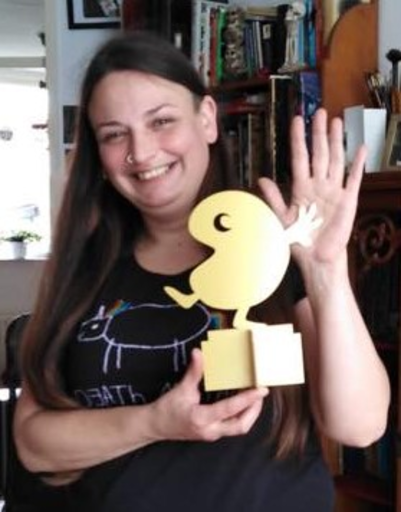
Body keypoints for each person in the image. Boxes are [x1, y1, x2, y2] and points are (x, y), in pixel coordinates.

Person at [11, 31, 389, 512]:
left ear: (207, 118)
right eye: (114, 134)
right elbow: (34, 444)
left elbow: (359, 426)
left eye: (161, 121)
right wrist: (155, 422)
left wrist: (325, 271)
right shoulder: (82, 268)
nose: (141, 151)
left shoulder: (270, 248)